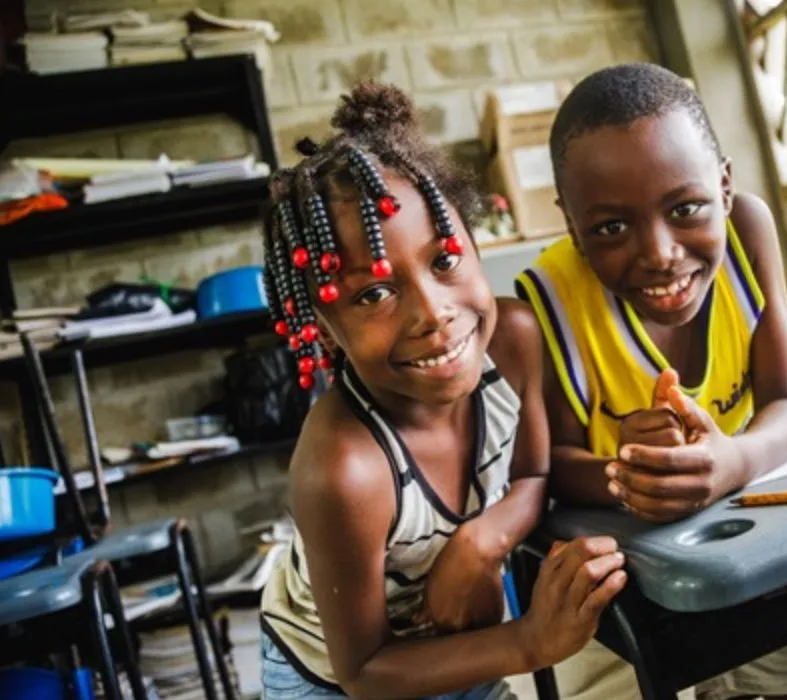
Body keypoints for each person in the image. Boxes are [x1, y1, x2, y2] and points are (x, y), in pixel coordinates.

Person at [258, 81, 627, 700]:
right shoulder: (344, 468)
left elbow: (533, 474)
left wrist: (482, 542)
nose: (434, 313)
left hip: (455, 643)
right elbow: (365, 670)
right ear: (325, 325)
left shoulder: (511, 340)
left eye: (445, 259)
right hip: (332, 678)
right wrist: (531, 642)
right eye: (374, 294)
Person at [515, 62, 787, 700]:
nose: (659, 252)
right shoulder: (550, 300)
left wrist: (731, 460)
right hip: (609, 585)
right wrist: (631, 471)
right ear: (571, 224)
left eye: (686, 207)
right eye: (611, 228)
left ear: (725, 188)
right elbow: (549, 469)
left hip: (746, 549)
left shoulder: (748, 234)